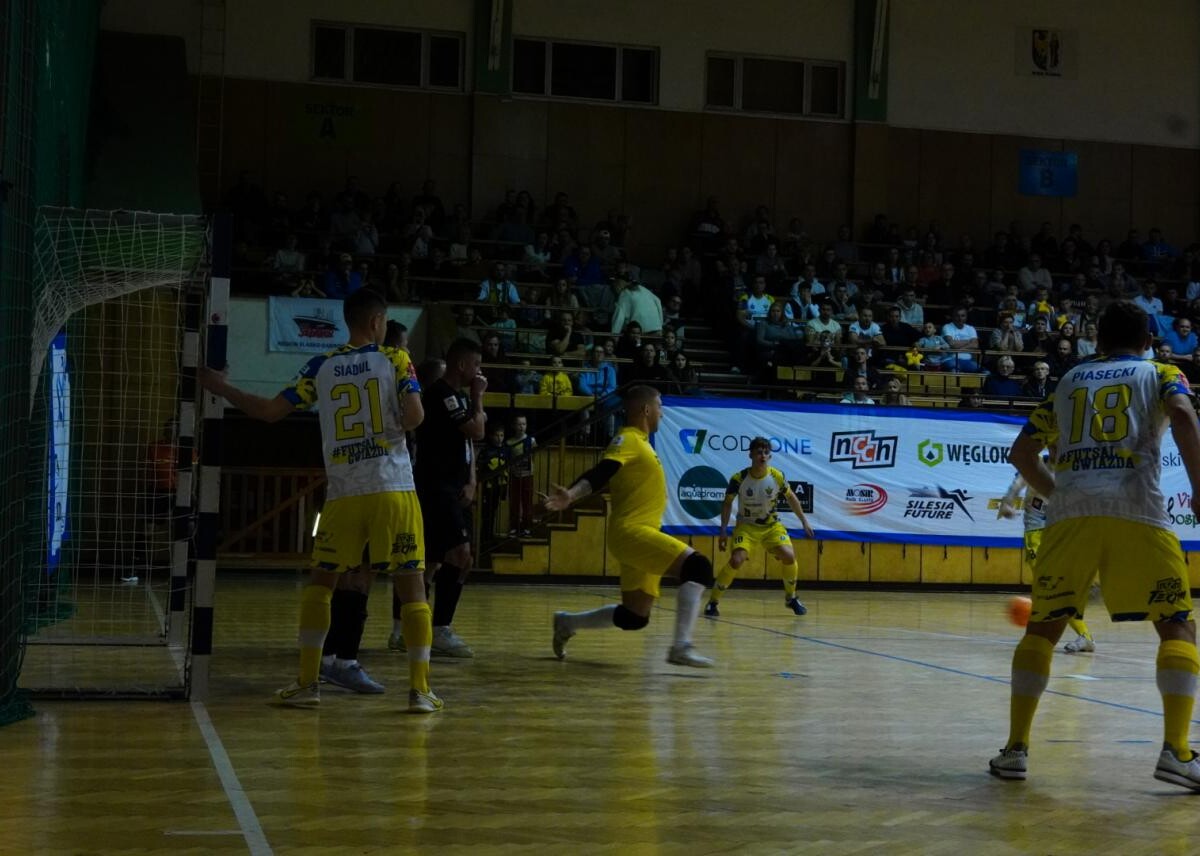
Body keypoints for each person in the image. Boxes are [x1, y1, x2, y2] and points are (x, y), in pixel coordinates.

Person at [989, 300, 1200, 790]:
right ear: (1148, 341)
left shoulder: (1067, 382)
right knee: (1176, 626)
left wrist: (1059, 492)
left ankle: (1016, 750)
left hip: (1069, 519)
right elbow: (1185, 416)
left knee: (1042, 630)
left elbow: (1020, 453)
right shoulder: (1161, 372)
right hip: (1137, 511)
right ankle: (1177, 752)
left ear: (1098, 342)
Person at [198, 289, 441, 712]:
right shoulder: (395, 359)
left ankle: (308, 684)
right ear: (377, 322)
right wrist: (395, 426)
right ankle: (420, 692)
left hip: (343, 493)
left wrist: (221, 387)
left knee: (321, 585)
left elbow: (270, 412)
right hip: (392, 488)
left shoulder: (321, 366)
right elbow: (416, 415)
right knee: (411, 586)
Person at [546, 386, 716, 667]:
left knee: (634, 616)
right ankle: (681, 647)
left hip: (641, 533)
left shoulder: (644, 442)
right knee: (699, 567)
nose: (662, 411)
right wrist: (571, 495)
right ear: (646, 410)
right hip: (632, 532)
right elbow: (604, 471)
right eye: (660, 405)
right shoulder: (627, 438)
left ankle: (566, 622)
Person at [394, 338, 487, 660]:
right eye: (476, 365)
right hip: (437, 488)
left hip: (453, 486)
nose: (479, 372)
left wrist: (472, 478)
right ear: (461, 365)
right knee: (459, 555)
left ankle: (409, 628)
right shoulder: (443, 396)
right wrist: (478, 397)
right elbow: (477, 431)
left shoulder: (455, 397)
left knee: (435, 558)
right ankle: (440, 629)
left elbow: (469, 442)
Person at [705, 438, 815, 617]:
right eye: (758, 452)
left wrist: (804, 521)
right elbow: (727, 504)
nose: (762, 456)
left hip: (772, 526)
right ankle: (712, 602)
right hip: (747, 527)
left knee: (789, 555)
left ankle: (791, 598)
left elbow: (792, 497)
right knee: (737, 559)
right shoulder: (739, 478)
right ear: (750, 455)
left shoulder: (777, 476)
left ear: (769, 456)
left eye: (765, 452)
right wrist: (723, 530)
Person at [997, 467, 1095, 654]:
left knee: (1053, 586)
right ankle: (1077, 632)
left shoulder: (1073, 468)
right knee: (1050, 585)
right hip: (1036, 532)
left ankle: (1083, 634)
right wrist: (1007, 502)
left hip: (1060, 530)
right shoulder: (1036, 464)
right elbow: (1018, 483)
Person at [478, 421, 510, 549]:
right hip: (487, 487)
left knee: (493, 512)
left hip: (499, 486)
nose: (499, 438)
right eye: (497, 435)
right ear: (491, 436)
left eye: (502, 435)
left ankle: (490, 536)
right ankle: (484, 538)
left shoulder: (505, 450)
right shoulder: (486, 451)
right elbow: (481, 467)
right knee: (486, 514)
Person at [508, 414, 537, 536]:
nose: (522, 427)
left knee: (527, 502)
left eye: (524, 424)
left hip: (528, 475)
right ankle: (514, 527)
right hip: (515, 475)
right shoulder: (509, 442)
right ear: (514, 426)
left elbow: (534, 454)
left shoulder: (531, 440)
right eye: (519, 424)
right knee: (515, 502)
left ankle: (527, 527)